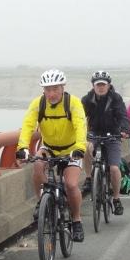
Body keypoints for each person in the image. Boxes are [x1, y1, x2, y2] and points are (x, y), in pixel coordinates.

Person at [15, 69, 87, 242]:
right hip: (49, 147)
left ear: (62, 87)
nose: (51, 93)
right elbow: (27, 126)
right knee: (38, 164)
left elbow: (80, 126)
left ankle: (76, 220)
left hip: (71, 149)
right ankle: (42, 202)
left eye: (55, 89)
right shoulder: (38, 104)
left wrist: (79, 148)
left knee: (70, 184)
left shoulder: (73, 103)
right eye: (47, 90)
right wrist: (23, 147)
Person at [81, 71, 130, 215]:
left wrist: (125, 129)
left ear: (108, 85)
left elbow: (123, 116)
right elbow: (77, 116)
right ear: (93, 86)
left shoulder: (115, 98)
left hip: (113, 134)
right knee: (86, 148)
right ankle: (89, 178)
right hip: (94, 133)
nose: (101, 87)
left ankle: (116, 199)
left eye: (103, 84)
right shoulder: (87, 99)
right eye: (98, 85)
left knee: (114, 168)